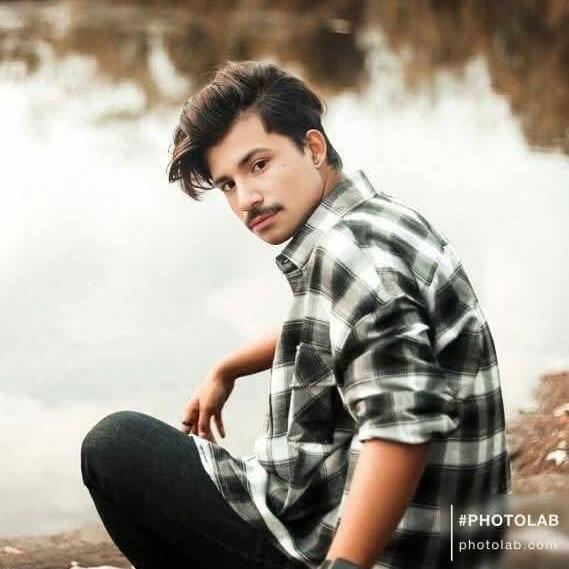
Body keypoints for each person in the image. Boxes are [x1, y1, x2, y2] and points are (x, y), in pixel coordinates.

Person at [81, 60, 511, 569]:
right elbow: (341, 328)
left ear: (313, 147)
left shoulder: (352, 254)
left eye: (258, 165)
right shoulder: (378, 219)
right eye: (227, 184)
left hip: (370, 550)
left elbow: (402, 427)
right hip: (436, 538)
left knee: (114, 447)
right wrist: (229, 366)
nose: (247, 199)